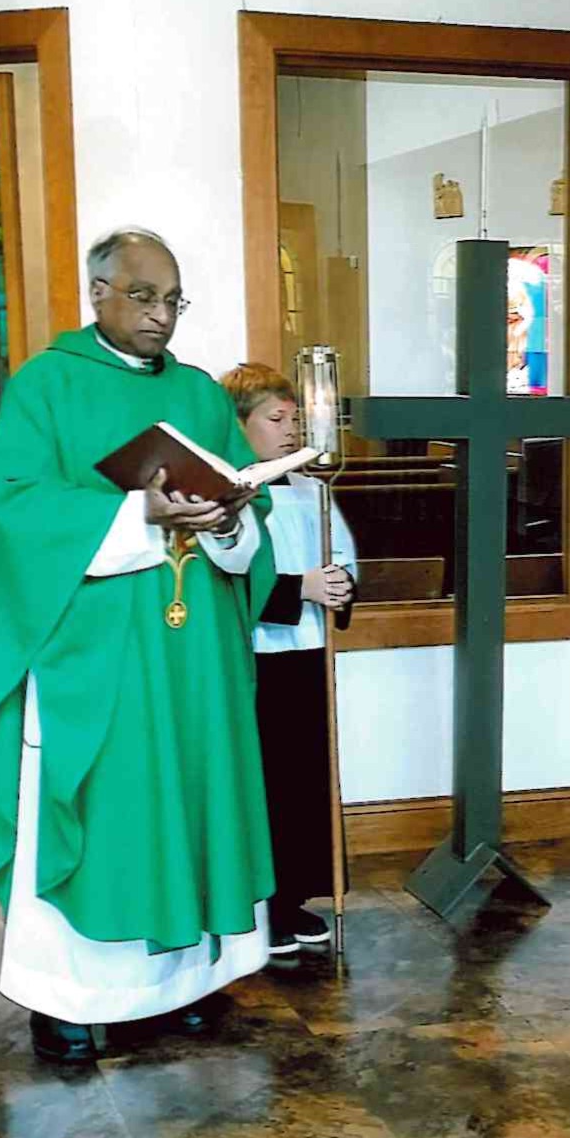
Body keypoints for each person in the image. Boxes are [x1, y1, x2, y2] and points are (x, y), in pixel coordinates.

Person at [0, 228, 277, 1064]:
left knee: (189, 797)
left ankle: (178, 984)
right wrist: (137, 514)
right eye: (143, 296)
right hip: (96, 660)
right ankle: (68, 1000)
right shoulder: (47, 387)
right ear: (98, 291)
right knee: (107, 805)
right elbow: (18, 514)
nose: (160, 315)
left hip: (189, 661)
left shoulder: (200, 395)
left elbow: (248, 513)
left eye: (174, 300)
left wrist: (227, 517)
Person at [221, 363, 357, 955]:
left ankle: (296, 897)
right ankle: (257, 903)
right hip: (255, 659)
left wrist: (341, 584)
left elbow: (344, 557)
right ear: (239, 424)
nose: (288, 430)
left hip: (308, 655)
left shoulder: (312, 492)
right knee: (265, 781)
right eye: (275, 420)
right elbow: (227, 581)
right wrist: (298, 588)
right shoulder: (227, 497)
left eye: (293, 419)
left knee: (306, 779)